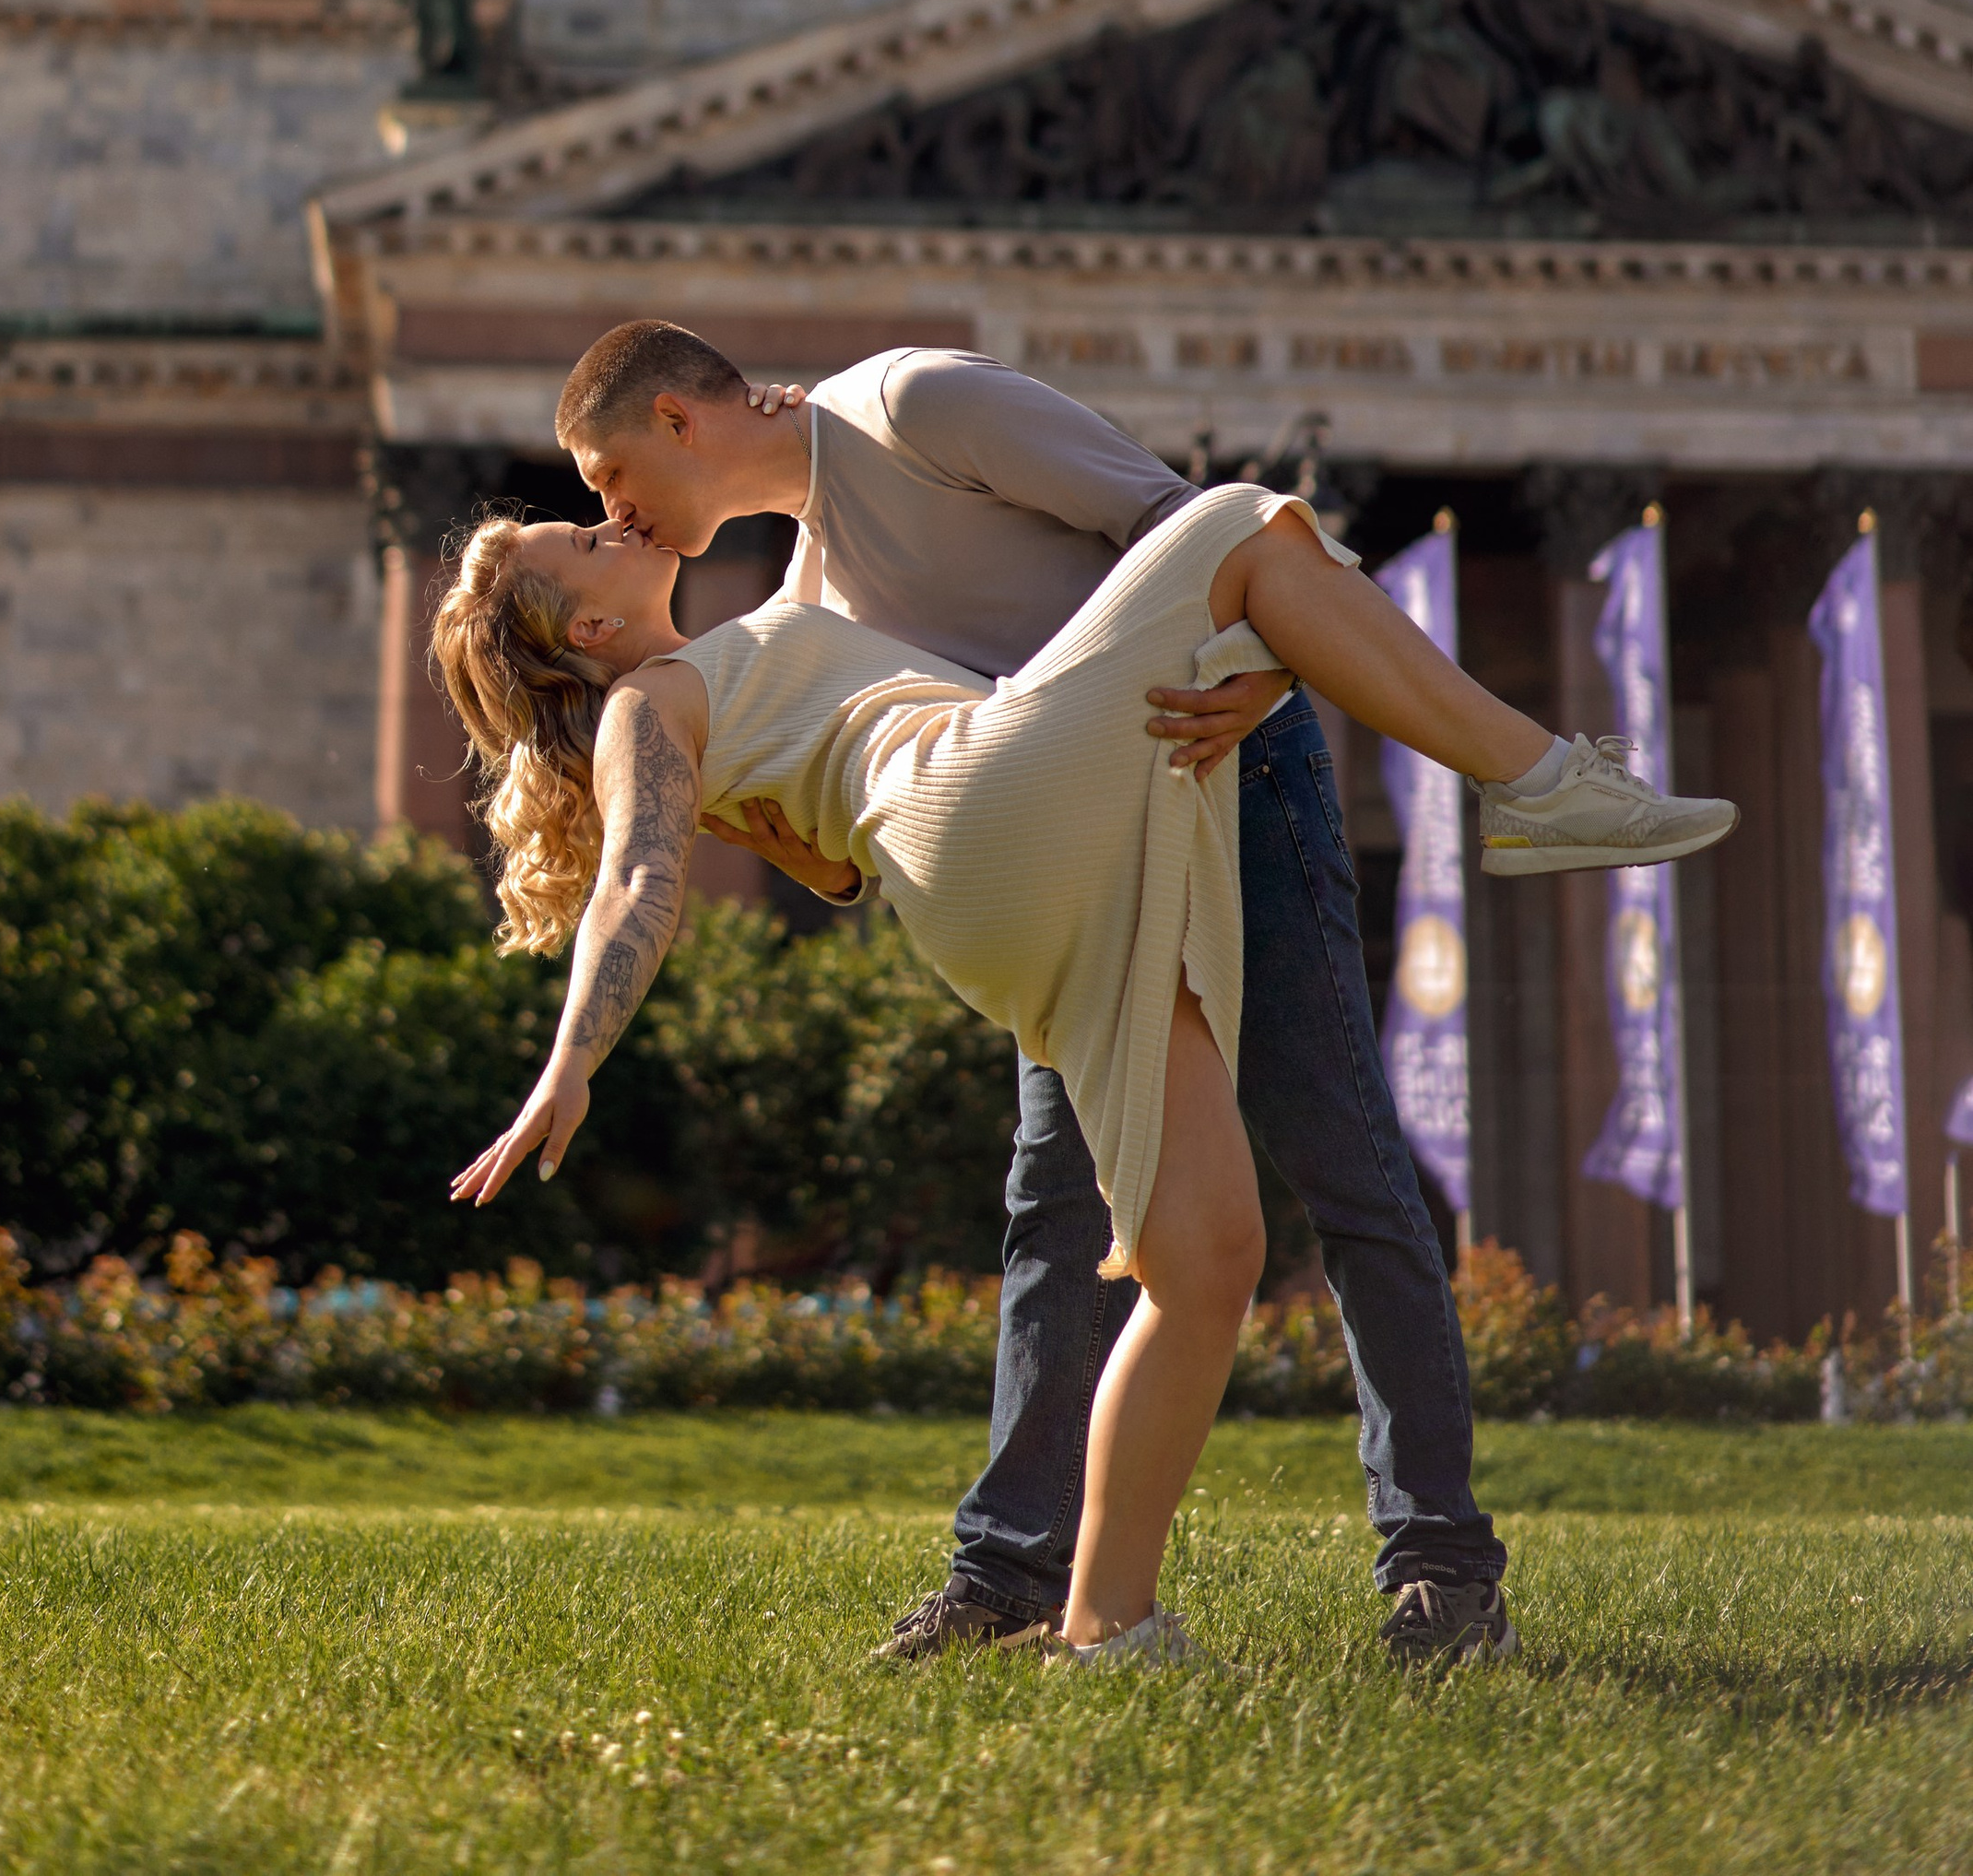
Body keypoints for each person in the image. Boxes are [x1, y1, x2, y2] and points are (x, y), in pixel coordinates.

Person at [442, 328, 1734, 1670]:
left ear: (675, 416)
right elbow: (652, 869)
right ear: (592, 629)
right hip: (1032, 807)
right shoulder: (707, 662)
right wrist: (574, 1053)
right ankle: (1540, 785)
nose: (608, 511)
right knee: (1249, 517)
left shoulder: (890, 434)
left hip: (1131, 815)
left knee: (1210, 1247)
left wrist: (1269, 674)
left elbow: (826, 846)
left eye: (600, 484)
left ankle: (1143, 1620)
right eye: (584, 528)